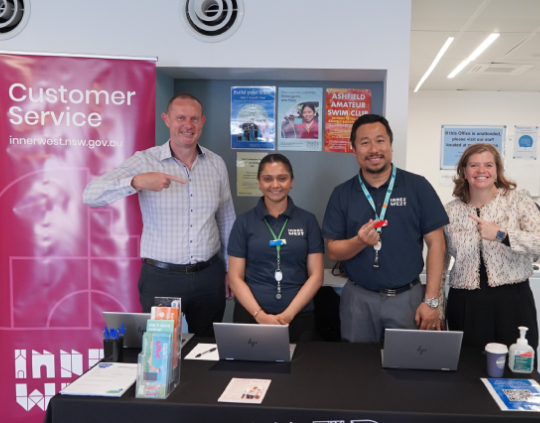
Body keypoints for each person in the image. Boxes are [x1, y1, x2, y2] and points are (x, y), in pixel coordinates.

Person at [83, 93, 235, 337]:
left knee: (207, 352)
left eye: (194, 118)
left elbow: (227, 220)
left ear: (203, 121)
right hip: (162, 279)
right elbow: (90, 195)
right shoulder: (145, 161)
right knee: (160, 354)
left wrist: (230, 271)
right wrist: (136, 181)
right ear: (166, 119)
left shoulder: (216, 164)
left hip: (209, 277)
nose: (188, 125)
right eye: (181, 117)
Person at [322, 114, 448, 343]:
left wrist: (431, 301)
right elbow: (333, 252)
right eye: (364, 142)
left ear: (390, 145)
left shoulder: (418, 187)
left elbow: (437, 244)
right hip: (358, 299)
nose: (373, 149)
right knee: (359, 370)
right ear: (354, 150)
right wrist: (359, 241)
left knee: (406, 370)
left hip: (407, 299)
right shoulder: (342, 194)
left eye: (380, 141)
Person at [440, 143, 540, 350]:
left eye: (488, 165)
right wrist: (438, 308)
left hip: (513, 300)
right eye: (474, 165)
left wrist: (502, 235)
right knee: (469, 371)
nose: (481, 171)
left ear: (497, 171)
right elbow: (439, 264)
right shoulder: (449, 212)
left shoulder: (518, 201)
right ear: (464, 172)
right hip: (466, 302)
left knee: (517, 368)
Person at [227, 154, 324, 342]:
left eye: (282, 178)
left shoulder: (308, 221)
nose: (275, 185)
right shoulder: (243, 222)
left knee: (299, 371)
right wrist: (260, 315)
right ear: (259, 182)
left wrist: (288, 315)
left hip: (298, 318)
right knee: (248, 371)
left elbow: (316, 276)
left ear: (292, 181)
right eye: (268, 179)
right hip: (251, 316)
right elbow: (235, 277)